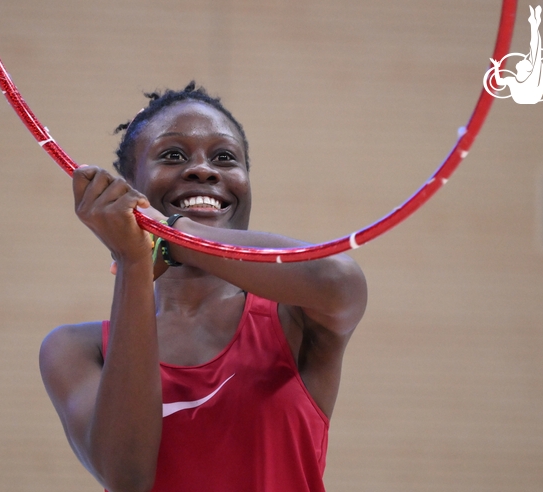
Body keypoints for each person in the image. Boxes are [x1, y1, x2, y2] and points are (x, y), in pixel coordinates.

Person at [39, 82, 367, 492]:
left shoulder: (292, 316)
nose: (203, 169)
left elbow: (341, 280)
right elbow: (127, 478)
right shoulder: (78, 349)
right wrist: (134, 258)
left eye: (225, 157)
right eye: (173, 155)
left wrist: (172, 236)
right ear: (129, 187)